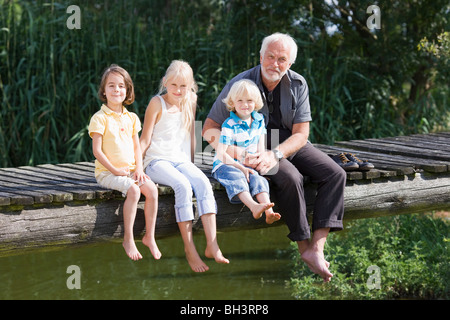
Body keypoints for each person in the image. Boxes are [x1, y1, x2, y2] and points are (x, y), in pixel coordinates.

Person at [202, 33, 346, 282]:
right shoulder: (240, 84)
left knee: (336, 173)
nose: (275, 64)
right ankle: (304, 248)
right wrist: (240, 154)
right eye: (270, 57)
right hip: (250, 146)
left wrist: (276, 154)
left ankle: (317, 248)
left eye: (282, 59)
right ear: (260, 57)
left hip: (287, 142)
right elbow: (208, 129)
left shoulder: (298, 84)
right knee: (291, 176)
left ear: (290, 63)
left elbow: (302, 134)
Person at [140, 60, 229, 272]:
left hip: (180, 159)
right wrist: (135, 168)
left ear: (191, 86)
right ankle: (189, 249)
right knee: (182, 186)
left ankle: (212, 244)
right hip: (155, 161)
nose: (179, 91)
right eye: (174, 85)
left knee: (203, 182)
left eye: (184, 86)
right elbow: (144, 139)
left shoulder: (191, 99)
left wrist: (191, 164)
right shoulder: (156, 103)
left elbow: (189, 134)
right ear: (165, 83)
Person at [88, 64, 161, 261]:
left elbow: (137, 147)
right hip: (107, 172)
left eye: (121, 86)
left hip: (129, 170)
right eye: (111, 86)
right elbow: (97, 151)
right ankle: (128, 239)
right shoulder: (99, 118)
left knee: (152, 190)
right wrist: (114, 170)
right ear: (104, 90)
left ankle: (149, 237)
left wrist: (138, 169)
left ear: (127, 90)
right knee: (134, 190)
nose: (116, 90)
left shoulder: (131, 118)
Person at [212, 79, 281, 225]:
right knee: (237, 177)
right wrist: (241, 167)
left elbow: (260, 147)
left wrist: (259, 161)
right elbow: (221, 154)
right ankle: (253, 206)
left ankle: (268, 212)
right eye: (240, 101)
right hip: (226, 164)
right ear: (233, 103)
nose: (245, 105)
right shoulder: (229, 125)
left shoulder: (259, 119)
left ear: (256, 102)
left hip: (247, 164)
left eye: (249, 100)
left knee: (258, 179)